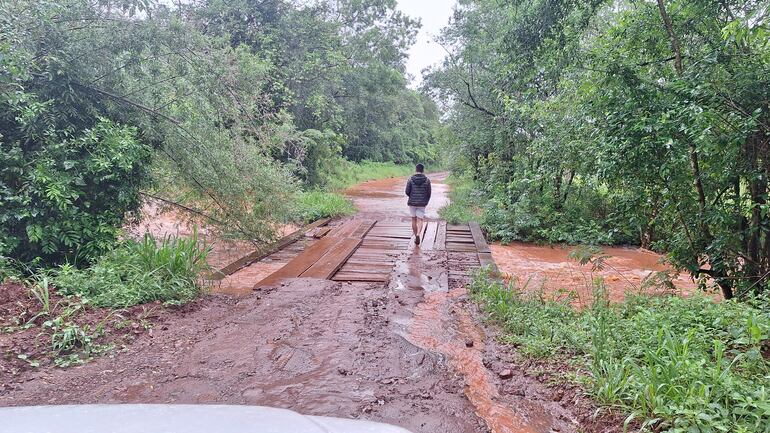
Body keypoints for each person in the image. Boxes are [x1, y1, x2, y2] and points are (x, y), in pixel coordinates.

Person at [405, 163, 431, 245]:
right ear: (423, 170)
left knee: (413, 219)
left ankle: (415, 235)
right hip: (422, 203)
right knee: (420, 219)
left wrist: (412, 196)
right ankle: (418, 234)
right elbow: (428, 193)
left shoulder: (410, 179)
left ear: (416, 170)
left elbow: (407, 192)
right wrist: (425, 200)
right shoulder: (427, 180)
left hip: (412, 202)